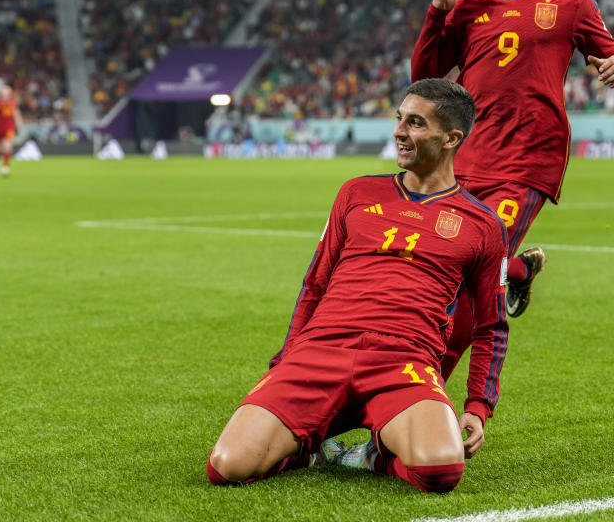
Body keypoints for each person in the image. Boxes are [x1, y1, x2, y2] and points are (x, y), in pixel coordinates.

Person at [207, 79, 509, 493]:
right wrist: (287, 359)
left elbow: (491, 325)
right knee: (227, 466)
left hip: (404, 359)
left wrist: (478, 406)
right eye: (399, 118)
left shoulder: (484, 225)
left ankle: (374, 455)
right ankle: (307, 449)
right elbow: (314, 285)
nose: (399, 131)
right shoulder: (356, 192)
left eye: (415, 123)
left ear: (451, 138)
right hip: (321, 350)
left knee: (441, 469)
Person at [410, 0, 614, 379]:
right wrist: (436, 13)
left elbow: (611, 53)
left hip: (530, 159)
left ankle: (428, 390)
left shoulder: (571, 2)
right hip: (467, 156)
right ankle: (523, 270)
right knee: (450, 263)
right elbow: (425, 77)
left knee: (476, 275)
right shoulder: (468, 9)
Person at [0, 84, 23, 177]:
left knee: (8, 147)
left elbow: (16, 114)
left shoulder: (13, 103)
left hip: (9, 127)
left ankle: (5, 167)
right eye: (4, 93)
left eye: (7, 93)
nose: (5, 95)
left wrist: (19, 124)